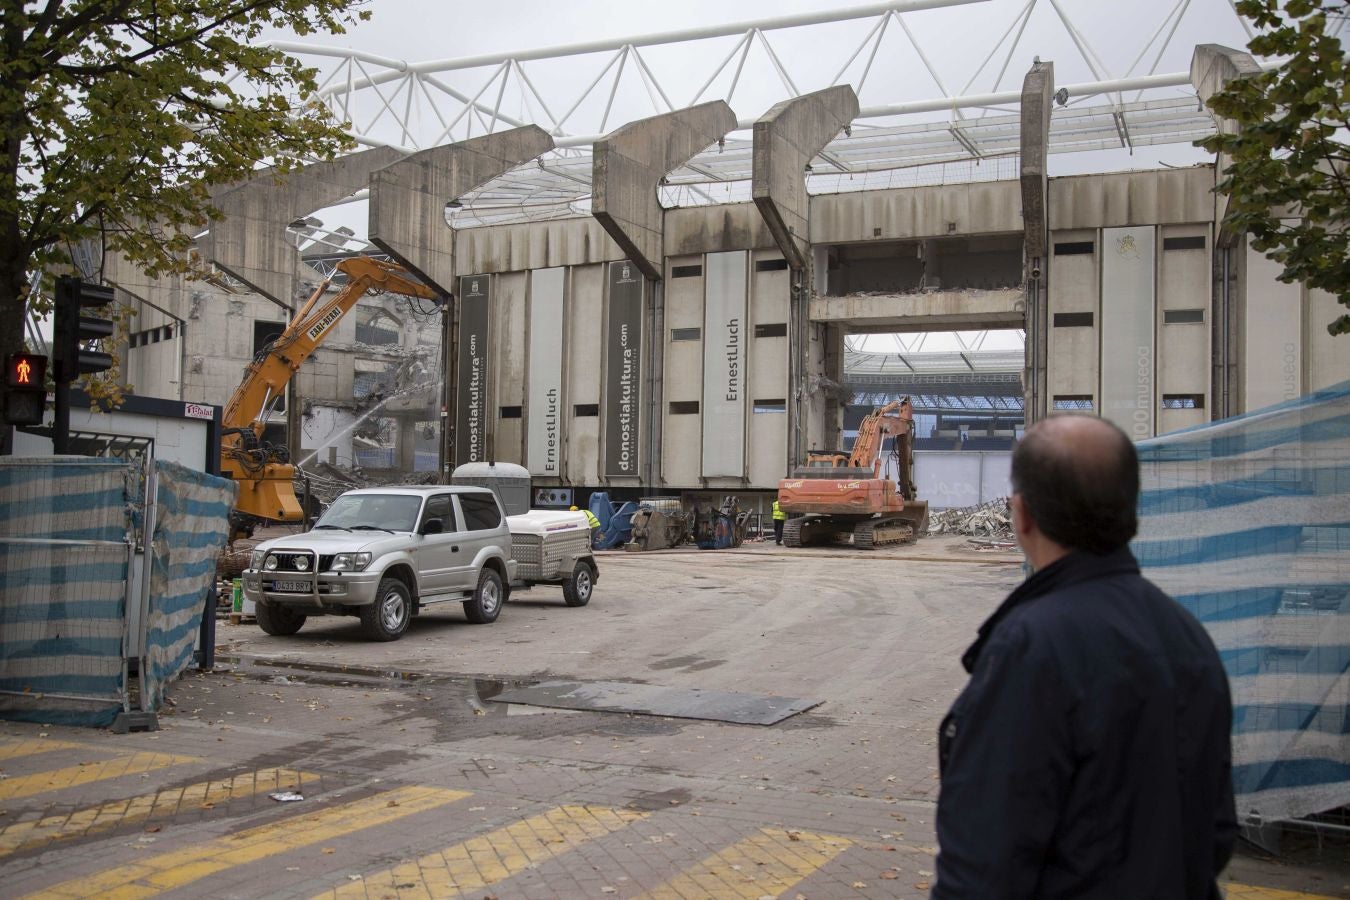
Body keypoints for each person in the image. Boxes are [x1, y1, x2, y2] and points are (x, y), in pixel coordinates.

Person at [932, 415, 1235, 899]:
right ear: (1129, 510)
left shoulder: (1030, 648)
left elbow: (984, 862)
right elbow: (1215, 830)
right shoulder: (1186, 634)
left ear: (1022, 514)